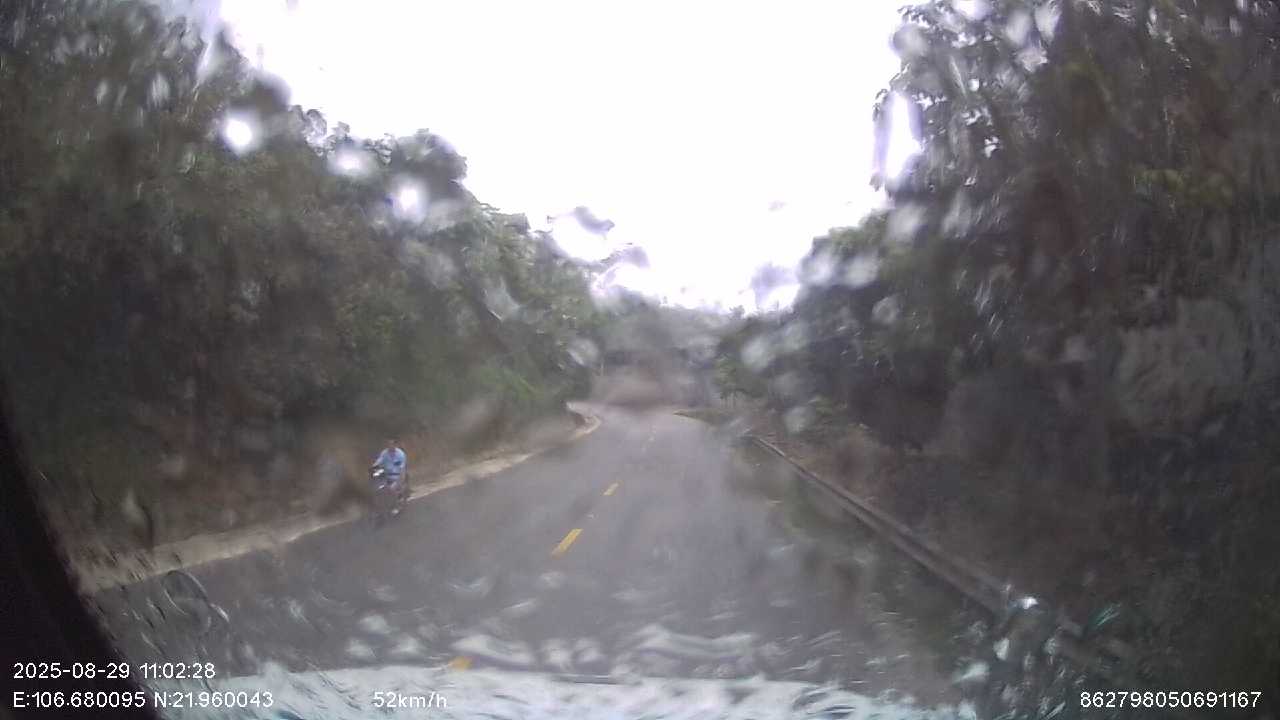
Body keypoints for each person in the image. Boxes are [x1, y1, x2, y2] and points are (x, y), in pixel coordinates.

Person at [370, 438, 408, 514]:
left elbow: (402, 470)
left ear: (395, 445)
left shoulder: (400, 454)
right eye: (388, 444)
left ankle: (396, 506)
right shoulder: (384, 453)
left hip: (397, 475)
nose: (390, 446)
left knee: (392, 489)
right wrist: (373, 467)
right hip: (386, 474)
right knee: (377, 485)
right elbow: (379, 461)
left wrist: (400, 481)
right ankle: (378, 505)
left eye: (392, 444)